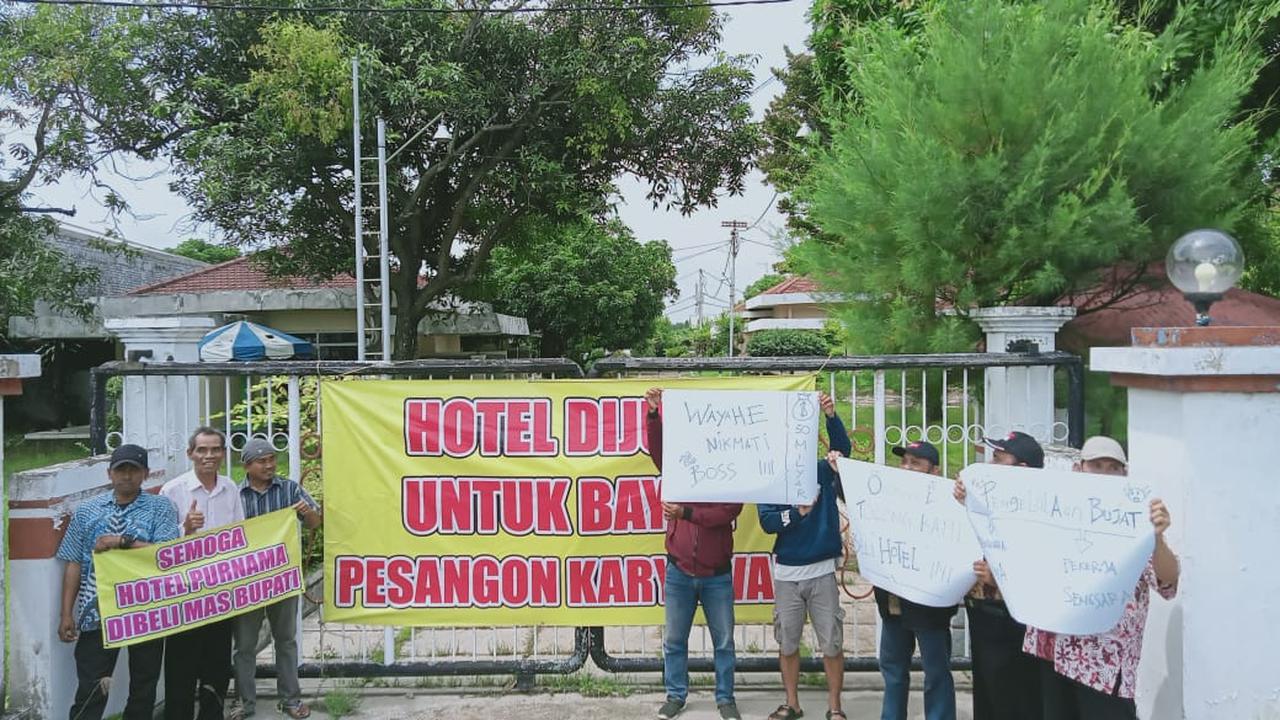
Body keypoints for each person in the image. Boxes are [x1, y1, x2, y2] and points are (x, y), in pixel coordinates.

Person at [1023, 436, 1179, 720]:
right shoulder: (1058, 510)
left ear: (1124, 473)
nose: (1104, 474)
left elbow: (1167, 582)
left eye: (1113, 467)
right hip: (1057, 650)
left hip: (1105, 660)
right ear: (1078, 469)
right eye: (1096, 465)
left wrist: (1157, 538)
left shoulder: (1135, 520)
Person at [57, 444, 179, 720]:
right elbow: (74, 562)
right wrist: (66, 614)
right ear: (109, 473)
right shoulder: (87, 511)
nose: (126, 476)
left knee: (144, 685)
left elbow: (166, 555)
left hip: (146, 609)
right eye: (120, 470)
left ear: (145, 473)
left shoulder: (160, 507)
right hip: (97, 610)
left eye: (133, 470)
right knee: (91, 685)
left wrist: (121, 541)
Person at [645, 387, 742, 720]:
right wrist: (654, 414)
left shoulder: (731, 468)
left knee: (724, 642)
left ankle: (725, 698)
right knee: (674, 639)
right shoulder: (680, 462)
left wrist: (686, 513)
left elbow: (728, 511)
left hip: (717, 573)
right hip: (679, 570)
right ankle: (675, 695)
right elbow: (657, 451)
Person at [756, 392, 851, 720]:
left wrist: (831, 416)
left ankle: (835, 707)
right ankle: (792, 703)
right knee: (787, 643)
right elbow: (767, 521)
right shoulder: (770, 476)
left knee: (832, 644)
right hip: (787, 574)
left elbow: (843, 452)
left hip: (822, 571)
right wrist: (797, 513)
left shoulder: (822, 470)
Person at [953, 430, 1045, 720]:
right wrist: (963, 501)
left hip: (1014, 620)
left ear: (1022, 469)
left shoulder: (1039, 511)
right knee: (987, 695)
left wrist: (1001, 581)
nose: (990, 465)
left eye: (998, 458)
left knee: (1015, 696)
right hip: (983, 611)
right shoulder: (989, 499)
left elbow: (1039, 570)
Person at [231, 438, 321, 719]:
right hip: (247, 580)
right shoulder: (235, 495)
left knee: (286, 641)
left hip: (282, 578)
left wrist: (308, 514)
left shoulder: (290, 489)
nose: (269, 465)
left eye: (271, 459)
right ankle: (244, 702)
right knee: (244, 646)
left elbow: (316, 522)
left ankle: (290, 700)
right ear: (247, 466)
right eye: (262, 461)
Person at [161, 427, 245, 720]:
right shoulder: (173, 490)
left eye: (215, 449)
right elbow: (159, 547)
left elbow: (239, 535)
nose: (209, 455)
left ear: (224, 453)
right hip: (183, 594)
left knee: (217, 664)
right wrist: (185, 529)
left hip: (219, 592)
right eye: (202, 450)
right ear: (190, 454)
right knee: (180, 666)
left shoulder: (230, 488)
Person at [875, 440, 958, 720]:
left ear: (934, 471)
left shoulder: (949, 503)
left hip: (930, 606)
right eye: (904, 462)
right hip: (893, 602)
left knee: (936, 671)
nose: (907, 468)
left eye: (916, 463)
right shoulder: (889, 497)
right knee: (893, 669)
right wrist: (840, 473)